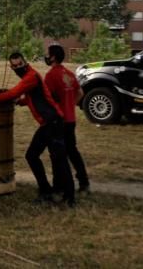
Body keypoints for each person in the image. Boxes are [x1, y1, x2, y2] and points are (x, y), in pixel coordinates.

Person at [0, 52, 75, 206]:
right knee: (46, 157)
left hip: (53, 123)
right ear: (11, 66)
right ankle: (53, 191)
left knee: (49, 158)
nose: (18, 67)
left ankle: (65, 196)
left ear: (25, 62)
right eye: (15, 66)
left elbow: (14, 92)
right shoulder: (31, 76)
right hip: (51, 123)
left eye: (20, 64)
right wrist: (22, 102)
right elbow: (36, 95)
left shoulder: (30, 77)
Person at [44, 43, 90, 194]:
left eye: (48, 54)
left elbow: (46, 97)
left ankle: (59, 186)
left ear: (53, 57)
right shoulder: (69, 74)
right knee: (72, 151)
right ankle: (83, 181)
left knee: (58, 154)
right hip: (71, 119)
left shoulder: (51, 76)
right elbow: (80, 93)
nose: (46, 56)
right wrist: (71, 104)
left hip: (59, 121)